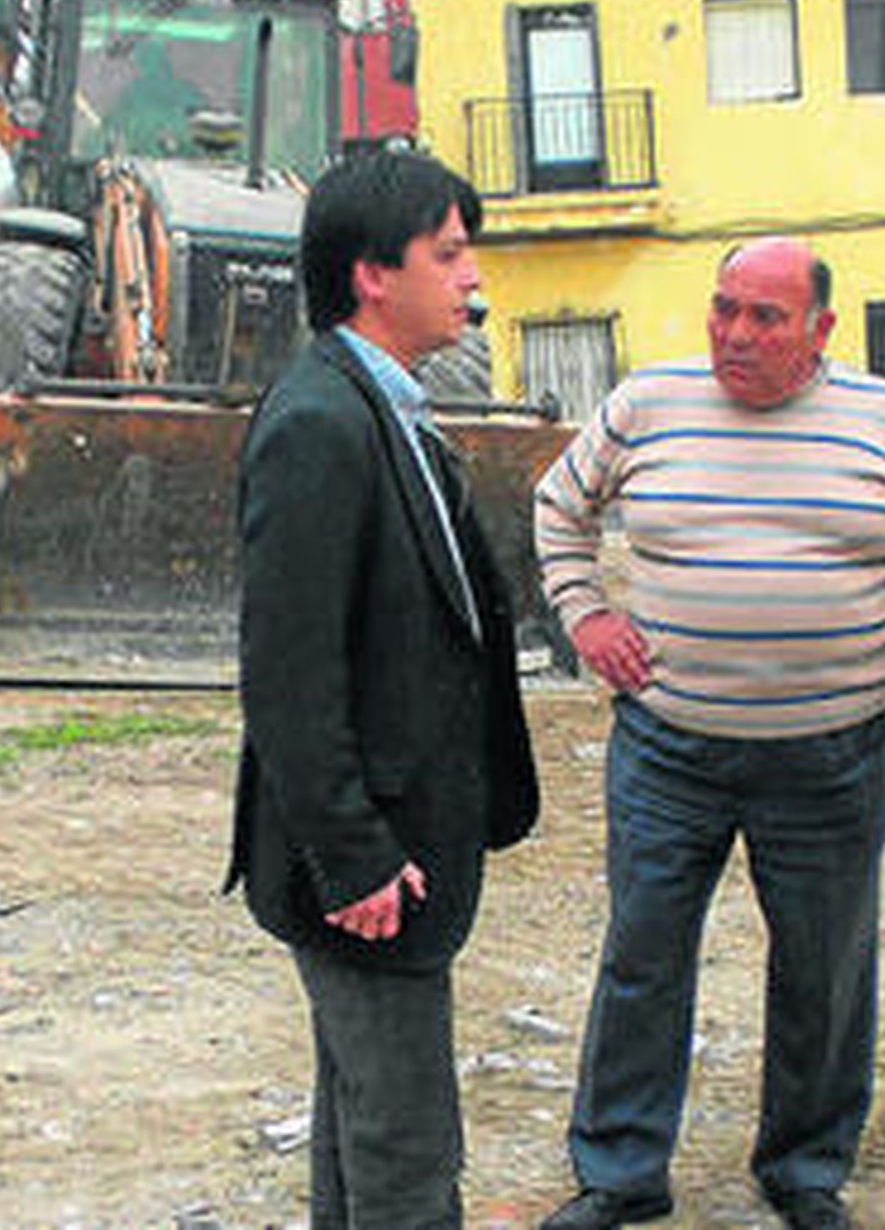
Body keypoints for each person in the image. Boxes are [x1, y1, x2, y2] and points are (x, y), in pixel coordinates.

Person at [533, 236, 885, 1230]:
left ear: (820, 329)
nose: (736, 333)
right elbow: (557, 507)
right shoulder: (646, 404)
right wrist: (586, 616)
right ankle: (619, 1169)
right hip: (667, 749)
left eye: (765, 316)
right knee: (642, 953)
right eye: (723, 307)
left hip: (832, 757)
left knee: (825, 966)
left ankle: (804, 1166)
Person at [224, 148, 539, 1230]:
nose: (472, 278)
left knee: (365, 1127)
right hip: (369, 867)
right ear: (371, 273)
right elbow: (288, 671)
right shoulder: (321, 421)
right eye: (447, 255)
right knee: (406, 1146)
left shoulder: (385, 406)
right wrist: (350, 851)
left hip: (403, 850)